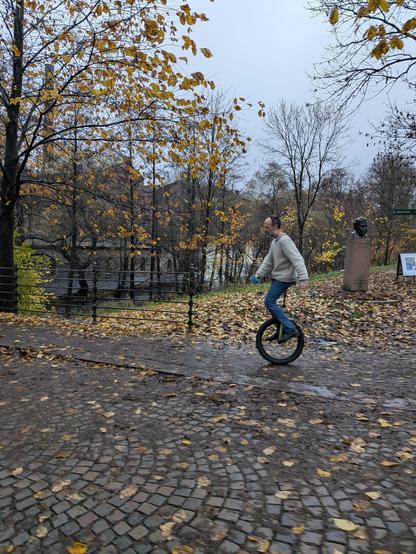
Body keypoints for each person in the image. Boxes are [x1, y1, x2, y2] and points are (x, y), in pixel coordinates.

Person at [250, 215, 308, 342]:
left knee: (269, 302)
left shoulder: (284, 241)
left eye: (267, 227)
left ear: (275, 226)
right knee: (271, 303)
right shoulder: (275, 242)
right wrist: (258, 275)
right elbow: (268, 262)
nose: (265, 230)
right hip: (278, 277)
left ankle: (290, 328)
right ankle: (280, 328)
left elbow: (297, 259)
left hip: (285, 278)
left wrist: (303, 278)